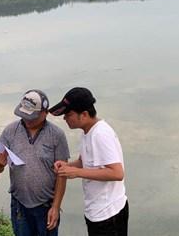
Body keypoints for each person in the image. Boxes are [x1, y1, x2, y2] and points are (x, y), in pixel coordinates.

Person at [49, 87, 128, 236]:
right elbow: (85, 162)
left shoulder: (100, 134)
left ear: (84, 114)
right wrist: (68, 166)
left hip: (109, 214)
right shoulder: (87, 132)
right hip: (96, 211)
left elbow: (117, 173)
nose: (65, 118)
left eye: (68, 114)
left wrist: (77, 173)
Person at [0, 89, 70, 236]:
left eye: (32, 117)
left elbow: (62, 174)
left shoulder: (57, 135)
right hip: (19, 204)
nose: (27, 120)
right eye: (24, 115)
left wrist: (55, 207)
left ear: (45, 113)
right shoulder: (10, 131)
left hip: (46, 205)